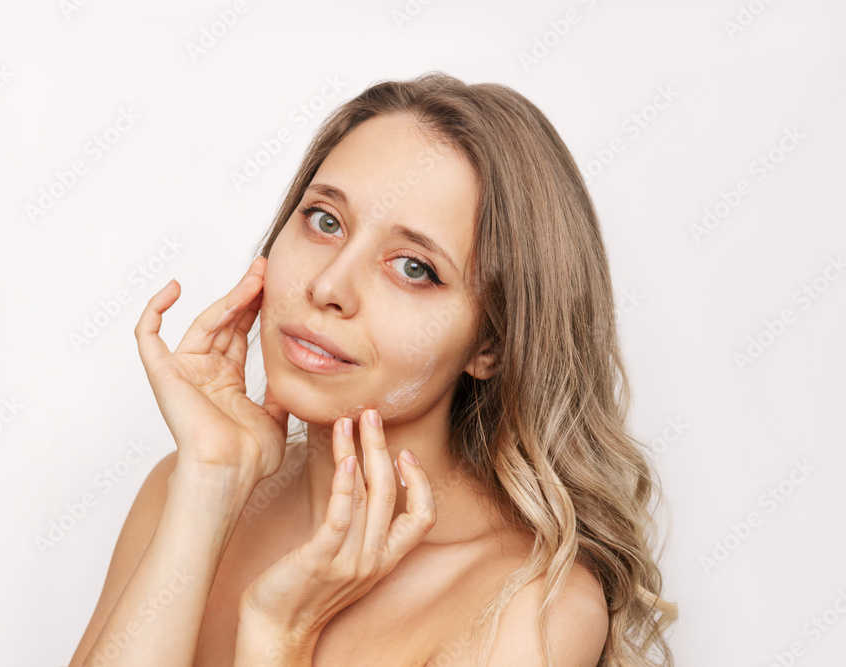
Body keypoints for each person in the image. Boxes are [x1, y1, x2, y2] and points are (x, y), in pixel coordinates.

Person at [67, 71, 677, 667]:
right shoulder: (184, 486)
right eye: (324, 221)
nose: (329, 286)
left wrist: (279, 639)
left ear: (489, 344)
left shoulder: (531, 605)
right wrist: (208, 484)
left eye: (413, 267)